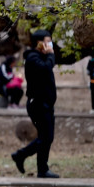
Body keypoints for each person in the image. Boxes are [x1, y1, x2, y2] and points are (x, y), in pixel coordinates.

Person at [11, 29, 59, 178]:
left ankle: (31, 162)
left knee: (47, 137)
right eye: (47, 42)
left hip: (46, 104)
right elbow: (45, 68)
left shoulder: (41, 57)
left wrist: (49, 55)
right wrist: (51, 54)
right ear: (39, 43)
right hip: (38, 104)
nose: (50, 45)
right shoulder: (32, 58)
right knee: (45, 137)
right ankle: (34, 164)